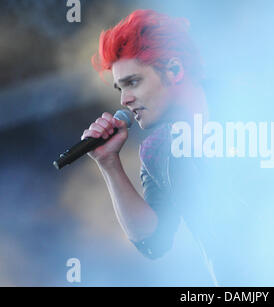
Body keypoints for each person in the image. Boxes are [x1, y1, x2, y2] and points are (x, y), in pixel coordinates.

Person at [82, 9, 258, 285]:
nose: (125, 100)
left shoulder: (254, 107)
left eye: (133, 82)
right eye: (120, 89)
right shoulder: (158, 151)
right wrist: (109, 165)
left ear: (174, 70)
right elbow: (153, 242)